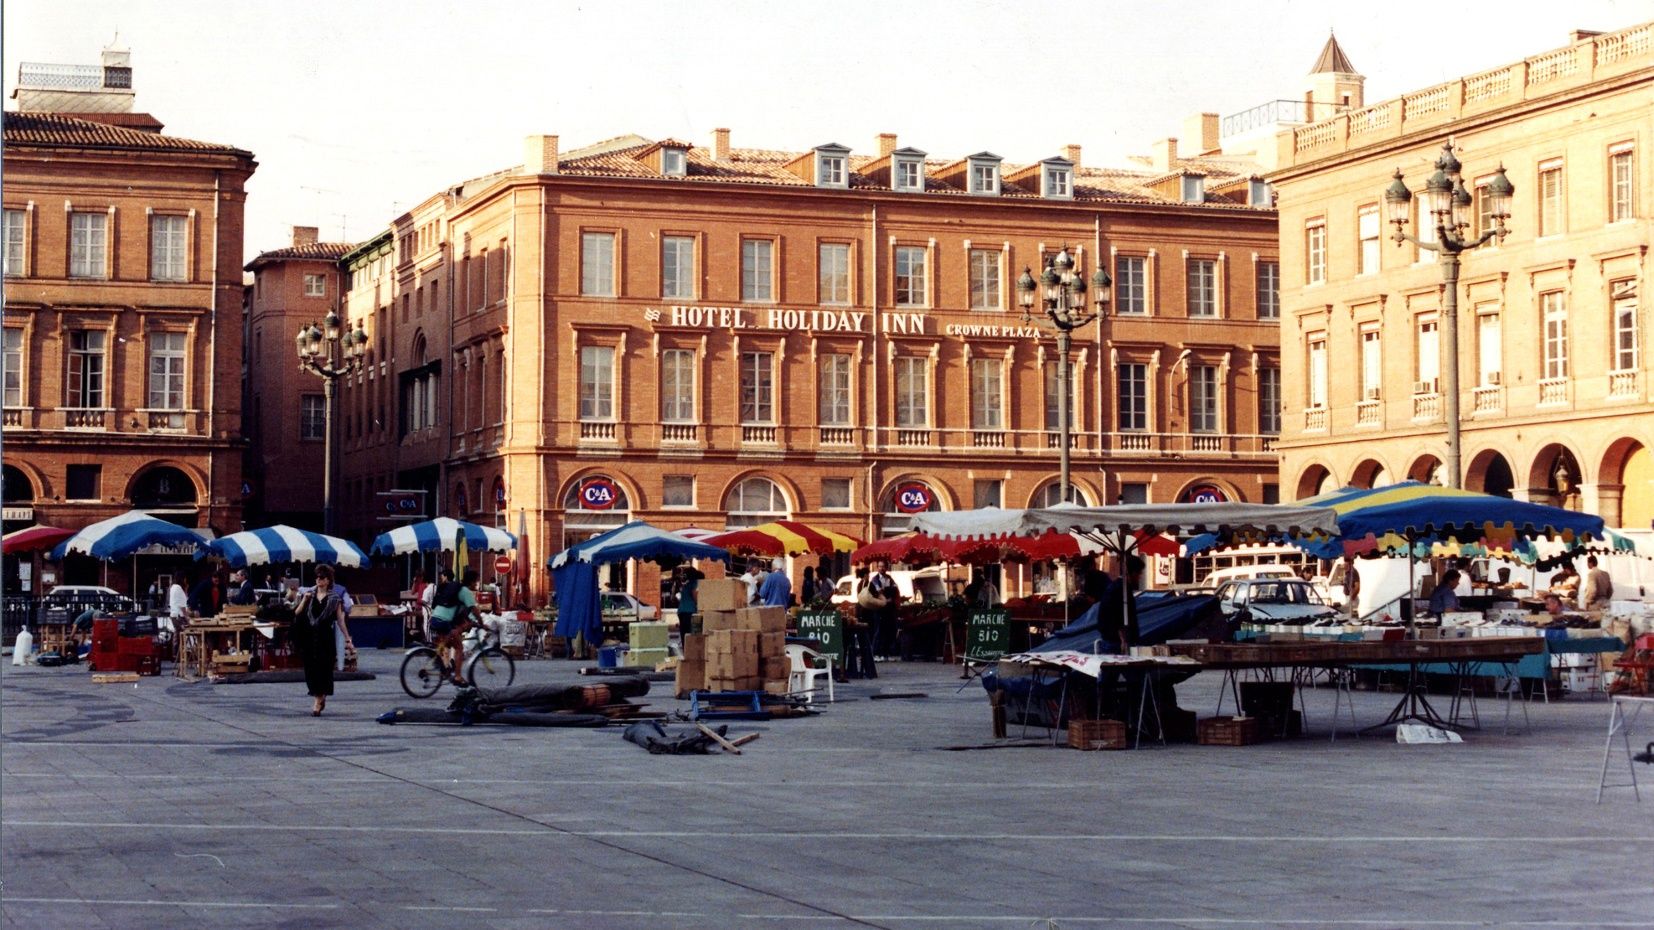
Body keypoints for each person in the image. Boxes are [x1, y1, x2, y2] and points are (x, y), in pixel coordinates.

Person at [293, 564, 351, 716]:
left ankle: (318, 700)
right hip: (310, 636)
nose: (319, 580)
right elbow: (297, 612)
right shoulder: (309, 594)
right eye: (317, 577)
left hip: (325, 637)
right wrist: (304, 600)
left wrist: (347, 639)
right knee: (311, 669)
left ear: (328, 580)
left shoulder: (334, 598)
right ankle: (319, 696)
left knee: (324, 669)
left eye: (322, 577)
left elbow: (340, 620)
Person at [429, 568, 478, 685]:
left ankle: (443, 665)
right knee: (459, 647)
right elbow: (474, 610)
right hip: (444, 622)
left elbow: (462, 611)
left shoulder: (456, 588)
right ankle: (458, 676)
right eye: (476, 582)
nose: (476, 584)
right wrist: (481, 622)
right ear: (471, 582)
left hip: (435, 618)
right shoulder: (466, 591)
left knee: (448, 642)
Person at [1097, 556, 1144, 654]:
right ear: (1133, 573)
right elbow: (1118, 616)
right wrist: (1123, 639)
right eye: (1139, 573)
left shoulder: (1115, 587)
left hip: (1111, 639)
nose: (1140, 577)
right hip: (1116, 642)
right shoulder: (1121, 590)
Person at [869, 562, 898, 660]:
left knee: (888, 631)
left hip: (888, 609)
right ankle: (876, 653)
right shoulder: (875, 580)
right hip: (879, 609)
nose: (881, 568)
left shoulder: (889, 578)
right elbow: (877, 592)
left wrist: (890, 598)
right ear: (877, 568)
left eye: (883, 566)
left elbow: (895, 589)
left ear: (886, 567)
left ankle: (886, 653)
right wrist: (885, 597)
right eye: (880, 566)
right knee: (878, 631)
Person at [676, 562, 704, 636]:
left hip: (681, 611)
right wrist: (700, 605)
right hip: (690, 611)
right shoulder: (695, 582)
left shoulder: (686, 584)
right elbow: (695, 595)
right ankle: (689, 647)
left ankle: (685, 646)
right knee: (690, 634)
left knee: (683, 632)